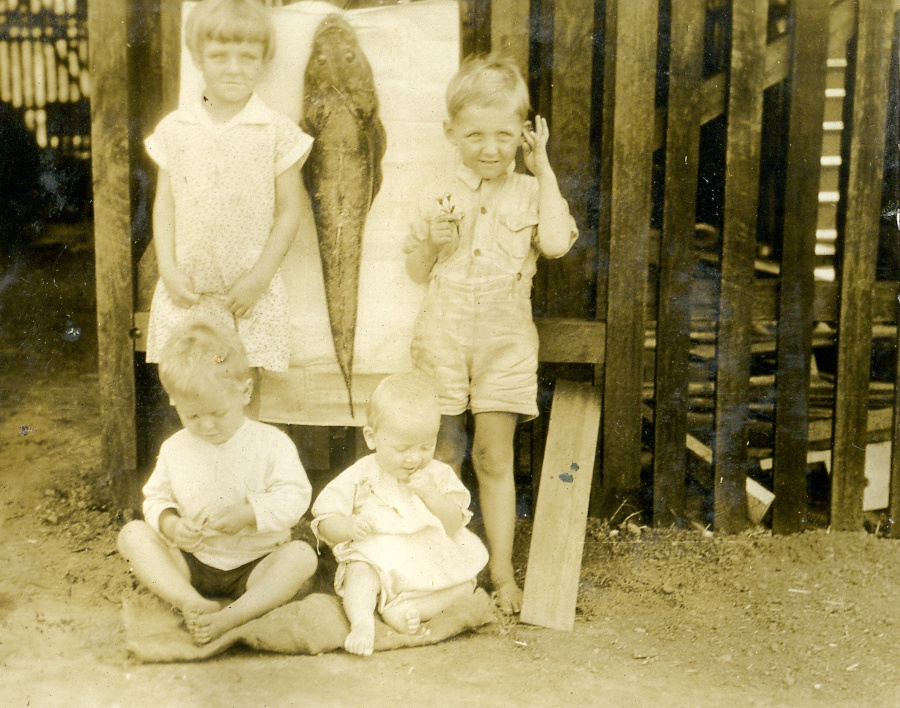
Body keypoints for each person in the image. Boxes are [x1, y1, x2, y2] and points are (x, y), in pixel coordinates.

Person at [404, 54, 578, 614]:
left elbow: (553, 243)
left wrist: (544, 168)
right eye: (475, 134)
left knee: (492, 455)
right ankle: (442, 567)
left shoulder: (531, 193)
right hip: (442, 337)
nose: (489, 147)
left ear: (523, 135)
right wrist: (431, 241)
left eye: (504, 134)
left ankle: (501, 571)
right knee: (443, 453)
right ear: (451, 132)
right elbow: (414, 270)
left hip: (505, 341)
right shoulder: (435, 194)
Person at [144, 0, 312, 414]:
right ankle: (199, 478)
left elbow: (291, 211)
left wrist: (259, 278)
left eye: (247, 57)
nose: (233, 68)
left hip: (245, 297)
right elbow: (165, 204)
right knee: (193, 397)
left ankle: (244, 477)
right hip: (190, 292)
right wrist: (167, 267)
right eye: (219, 56)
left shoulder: (274, 131)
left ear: (264, 61)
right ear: (199, 58)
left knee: (240, 402)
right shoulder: (177, 128)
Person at [117, 321, 317, 644]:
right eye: (193, 416)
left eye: (217, 413)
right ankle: (190, 602)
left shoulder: (271, 444)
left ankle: (232, 617)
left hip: (255, 563)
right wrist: (171, 525)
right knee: (132, 536)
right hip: (193, 563)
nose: (207, 426)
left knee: (301, 558)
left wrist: (250, 513)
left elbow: (295, 496)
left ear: (245, 392)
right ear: (174, 403)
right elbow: (155, 498)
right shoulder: (174, 449)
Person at [312, 373, 489, 657]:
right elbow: (324, 521)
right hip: (378, 555)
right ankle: (362, 623)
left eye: (425, 446)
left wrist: (432, 495)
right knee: (360, 573)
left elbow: (455, 523)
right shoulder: (361, 474)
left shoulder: (438, 475)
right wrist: (348, 526)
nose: (414, 458)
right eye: (402, 448)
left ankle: (405, 610)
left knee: (466, 584)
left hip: (426, 554)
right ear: (372, 437)